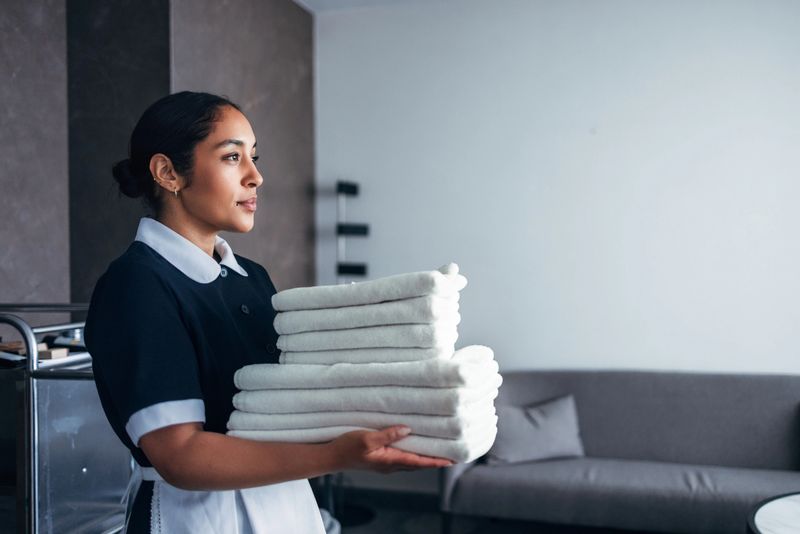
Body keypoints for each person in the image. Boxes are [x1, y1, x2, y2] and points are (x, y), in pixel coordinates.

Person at [83, 91, 453, 534]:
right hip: (197, 516)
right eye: (232, 157)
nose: (255, 177)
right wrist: (337, 455)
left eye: (253, 157)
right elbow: (180, 455)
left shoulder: (250, 277)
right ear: (167, 173)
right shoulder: (138, 285)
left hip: (284, 501)